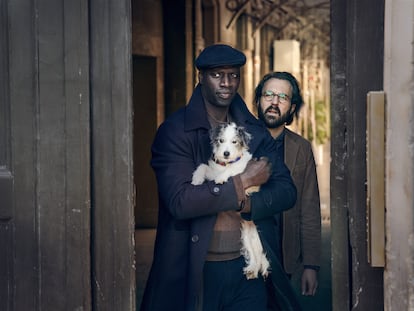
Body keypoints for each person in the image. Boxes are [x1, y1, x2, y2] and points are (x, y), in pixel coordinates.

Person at [140, 44, 302, 311]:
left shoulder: (255, 132)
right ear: (201, 78)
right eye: (217, 75)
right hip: (198, 269)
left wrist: (247, 204)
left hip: (248, 269)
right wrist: (243, 183)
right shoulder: (176, 132)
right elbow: (180, 202)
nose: (227, 82)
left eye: (233, 75)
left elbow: (286, 191)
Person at [255, 71, 322, 297]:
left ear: (292, 108)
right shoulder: (239, 140)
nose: (274, 102)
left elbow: (309, 208)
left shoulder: (301, 148)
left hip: (284, 258)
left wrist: (311, 265)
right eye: (269, 95)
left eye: (282, 98)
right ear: (258, 100)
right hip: (243, 257)